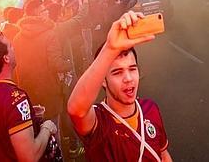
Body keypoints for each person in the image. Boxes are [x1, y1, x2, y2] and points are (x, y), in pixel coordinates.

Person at [67, 11, 173, 162]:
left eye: (132, 69)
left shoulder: (150, 108)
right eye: (117, 73)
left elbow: (163, 153)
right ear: (103, 80)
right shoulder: (99, 122)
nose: (128, 79)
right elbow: (76, 110)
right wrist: (110, 49)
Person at [0, 32, 58, 161]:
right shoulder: (16, 99)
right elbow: (29, 157)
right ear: (6, 58)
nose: (14, 48)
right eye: (10, 46)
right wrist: (47, 128)